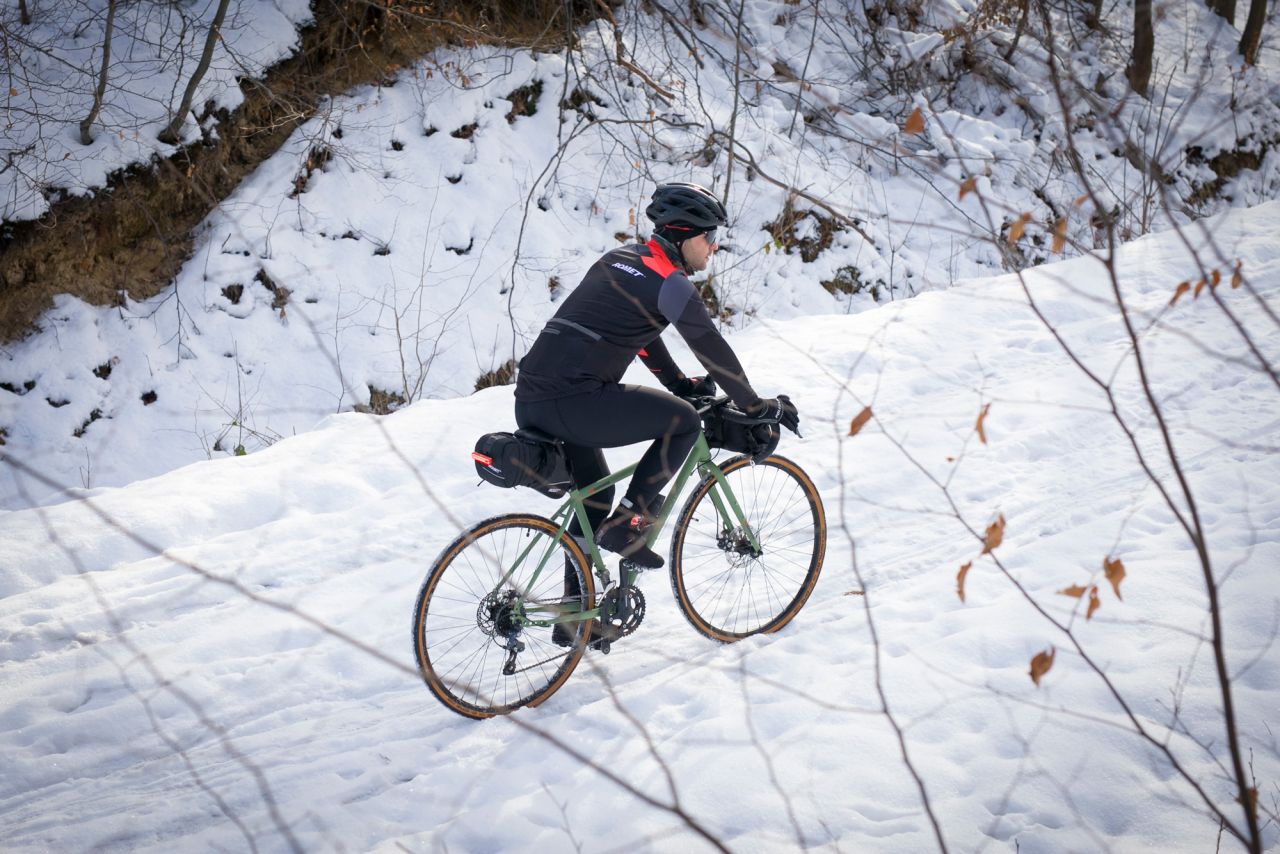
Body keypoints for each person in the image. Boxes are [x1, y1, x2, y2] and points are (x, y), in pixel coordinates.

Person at [513, 182, 799, 614]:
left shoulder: (620, 259)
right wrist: (758, 406)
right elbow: (712, 349)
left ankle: (574, 616)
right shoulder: (671, 281)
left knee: (593, 498)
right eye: (710, 237)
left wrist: (679, 383)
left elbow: (641, 337)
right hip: (575, 399)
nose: (714, 248)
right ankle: (630, 523)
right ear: (685, 237)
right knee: (684, 421)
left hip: (532, 396)